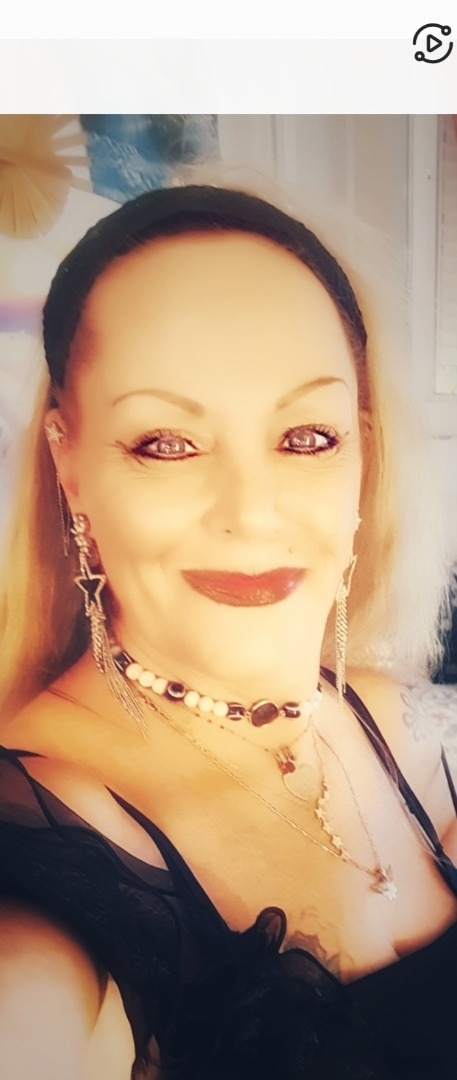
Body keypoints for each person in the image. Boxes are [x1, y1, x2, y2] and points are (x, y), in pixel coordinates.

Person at [0, 183, 456, 1080]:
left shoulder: (409, 728)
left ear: (361, 454)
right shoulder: (44, 853)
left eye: (307, 437)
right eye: (165, 443)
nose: (251, 514)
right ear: (69, 464)